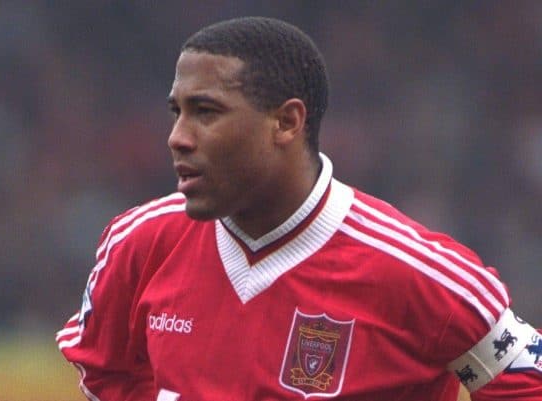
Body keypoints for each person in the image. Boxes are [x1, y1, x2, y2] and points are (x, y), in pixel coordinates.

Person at [56, 17, 541, 401]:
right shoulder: (137, 244)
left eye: (206, 112)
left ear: (286, 122)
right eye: (176, 112)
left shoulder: (426, 277)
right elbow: (106, 371)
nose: (178, 137)